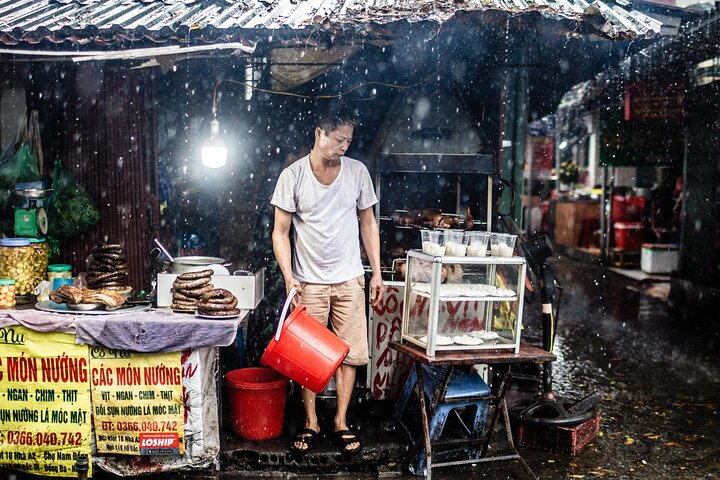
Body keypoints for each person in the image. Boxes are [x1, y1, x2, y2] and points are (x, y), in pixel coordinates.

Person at [271, 111, 384, 456]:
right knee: (308, 357)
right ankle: (310, 420)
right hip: (308, 283)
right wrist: (289, 278)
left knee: (348, 353)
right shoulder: (292, 176)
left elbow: (368, 223)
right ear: (319, 133)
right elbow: (280, 233)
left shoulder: (357, 172)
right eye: (338, 140)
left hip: (350, 279)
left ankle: (340, 421)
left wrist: (376, 271)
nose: (344, 147)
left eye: (349, 140)